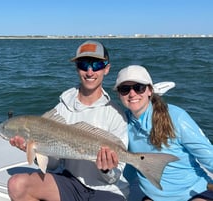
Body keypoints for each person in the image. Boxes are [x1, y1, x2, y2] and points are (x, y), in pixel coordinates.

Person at [8, 40, 129, 201]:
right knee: (17, 184)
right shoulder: (61, 109)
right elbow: (52, 165)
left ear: (106, 69)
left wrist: (106, 169)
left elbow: (114, 177)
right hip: (71, 182)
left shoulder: (116, 115)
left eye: (97, 65)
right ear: (77, 68)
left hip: (108, 189)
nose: (90, 72)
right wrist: (32, 150)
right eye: (83, 65)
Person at [114, 65, 213, 201]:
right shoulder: (122, 123)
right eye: (125, 89)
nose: (132, 94)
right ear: (119, 94)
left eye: (139, 87)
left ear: (149, 90)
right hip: (153, 197)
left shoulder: (176, 117)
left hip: (195, 193)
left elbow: (208, 156)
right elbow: (130, 166)